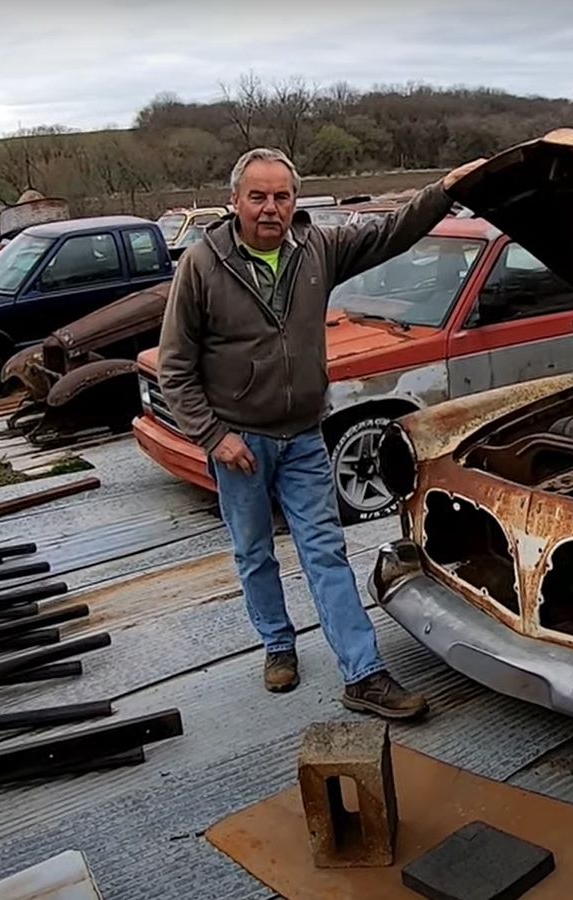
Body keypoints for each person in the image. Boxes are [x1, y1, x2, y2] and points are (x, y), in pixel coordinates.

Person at [158, 147, 483, 719]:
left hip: (305, 437)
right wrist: (213, 438)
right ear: (234, 201)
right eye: (257, 196)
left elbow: (392, 233)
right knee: (254, 553)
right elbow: (175, 367)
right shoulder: (203, 265)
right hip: (240, 446)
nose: (269, 209)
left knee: (325, 553)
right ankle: (277, 645)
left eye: (281, 197)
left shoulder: (317, 249)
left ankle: (363, 673)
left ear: (294, 202)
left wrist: (447, 189)